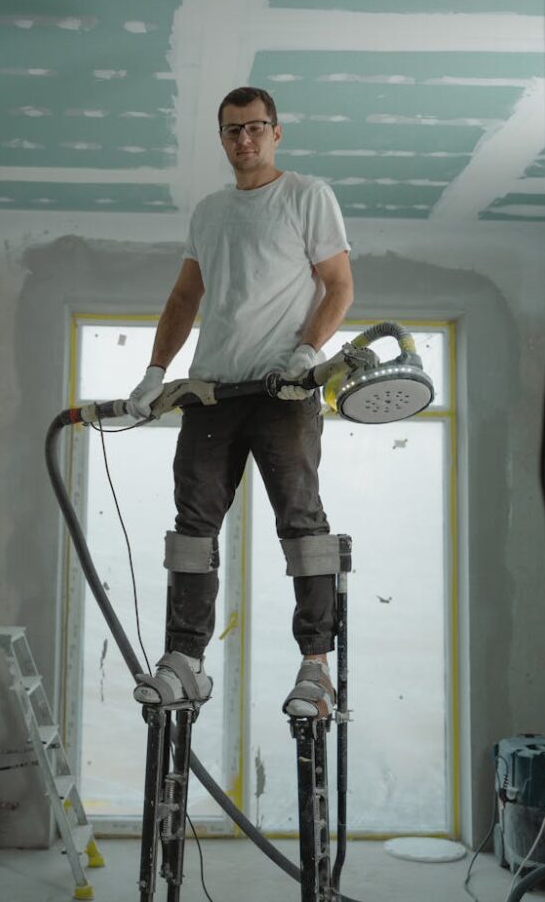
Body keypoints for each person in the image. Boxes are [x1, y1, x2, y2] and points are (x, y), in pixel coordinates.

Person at [126, 86, 353, 717]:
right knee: (192, 527)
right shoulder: (209, 212)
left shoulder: (307, 196)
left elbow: (339, 285)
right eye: (231, 131)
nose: (244, 140)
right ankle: (186, 661)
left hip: (283, 389)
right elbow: (183, 299)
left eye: (255, 128)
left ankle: (315, 669)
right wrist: (153, 372)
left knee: (302, 524)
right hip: (211, 392)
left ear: (277, 132)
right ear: (221, 138)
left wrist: (307, 352)